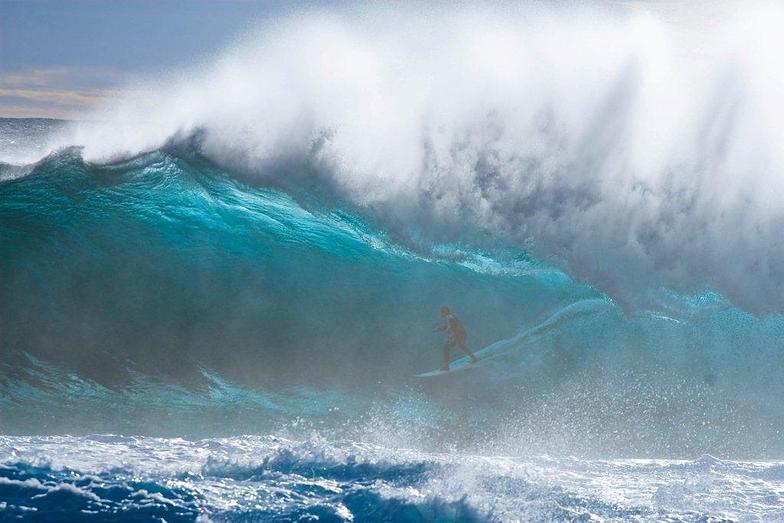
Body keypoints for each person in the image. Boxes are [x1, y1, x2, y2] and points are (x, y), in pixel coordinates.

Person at [435, 306, 479, 371]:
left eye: (441, 313)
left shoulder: (449, 317)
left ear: (444, 312)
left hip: (459, 335)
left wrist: (452, 335)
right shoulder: (450, 317)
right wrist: (439, 329)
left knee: (446, 348)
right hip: (461, 334)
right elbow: (449, 326)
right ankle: (474, 358)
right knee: (461, 346)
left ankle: (446, 366)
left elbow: (451, 326)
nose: (440, 314)